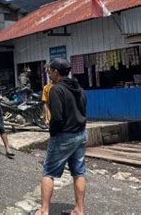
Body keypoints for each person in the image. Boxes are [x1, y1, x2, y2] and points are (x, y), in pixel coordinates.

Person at [32, 58, 87, 215]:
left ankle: (43, 211)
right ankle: (79, 210)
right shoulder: (79, 89)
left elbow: (57, 118)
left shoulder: (56, 90)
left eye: (50, 70)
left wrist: (53, 133)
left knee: (48, 172)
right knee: (79, 172)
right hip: (81, 134)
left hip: (64, 136)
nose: (49, 73)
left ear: (56, 72)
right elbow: (83, 111)